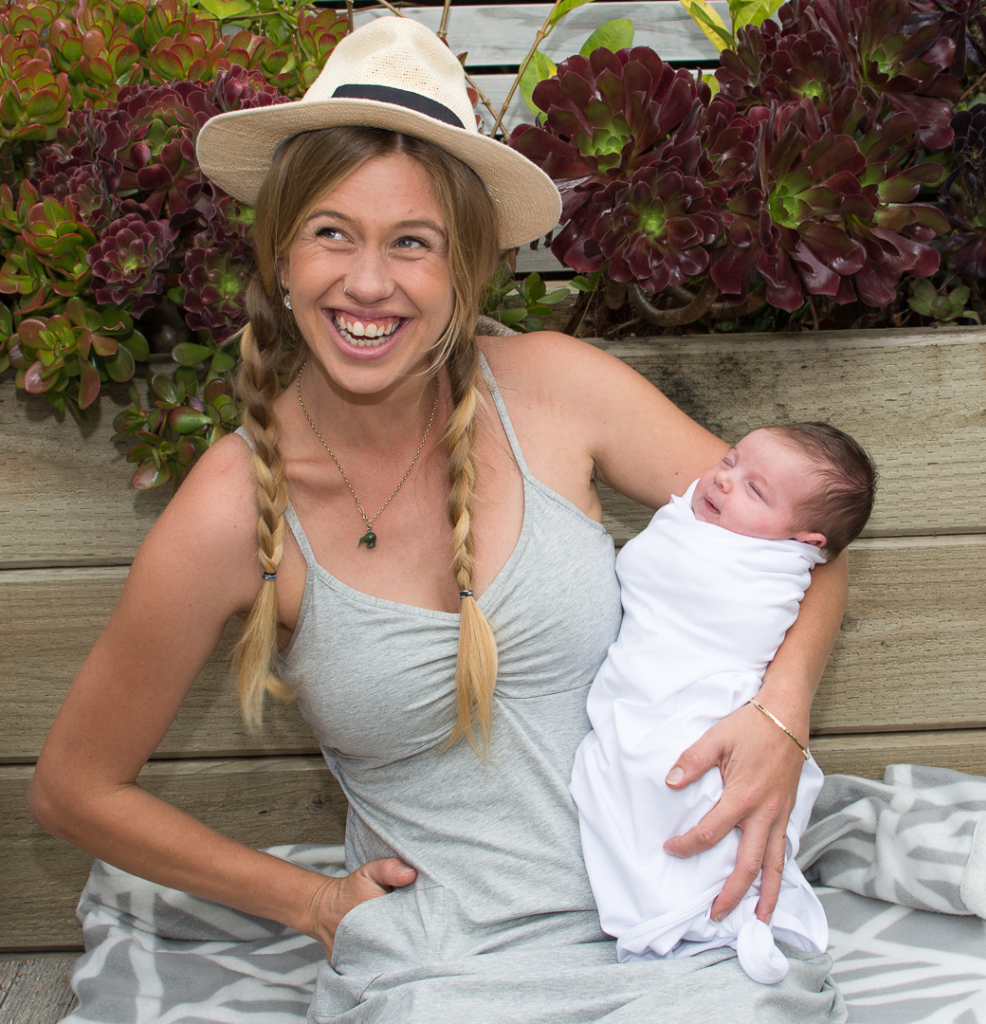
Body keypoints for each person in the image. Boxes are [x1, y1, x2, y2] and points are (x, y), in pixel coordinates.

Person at [30, 17, 848, 1023]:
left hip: (692, 935)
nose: (368, 283)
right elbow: (73, 786)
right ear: (279, 257)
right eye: (332, 232)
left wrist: (781, 713)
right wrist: (316, 902)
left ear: (464, 274)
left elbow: (803, 549)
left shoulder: (556, 388)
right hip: (440, 974)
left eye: (410, 243)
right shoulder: (233, 507)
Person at [571, 424, 876, 986]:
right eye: (730, 460)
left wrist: (780, 715)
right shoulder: (707, 518)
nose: (723, 480)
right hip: (646, 693)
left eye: (755, 490)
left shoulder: (773, 568)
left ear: (804, 544)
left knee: (677, 779)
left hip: (708, 707)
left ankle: (708, 908)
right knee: (629, 775)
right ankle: (676, 904)